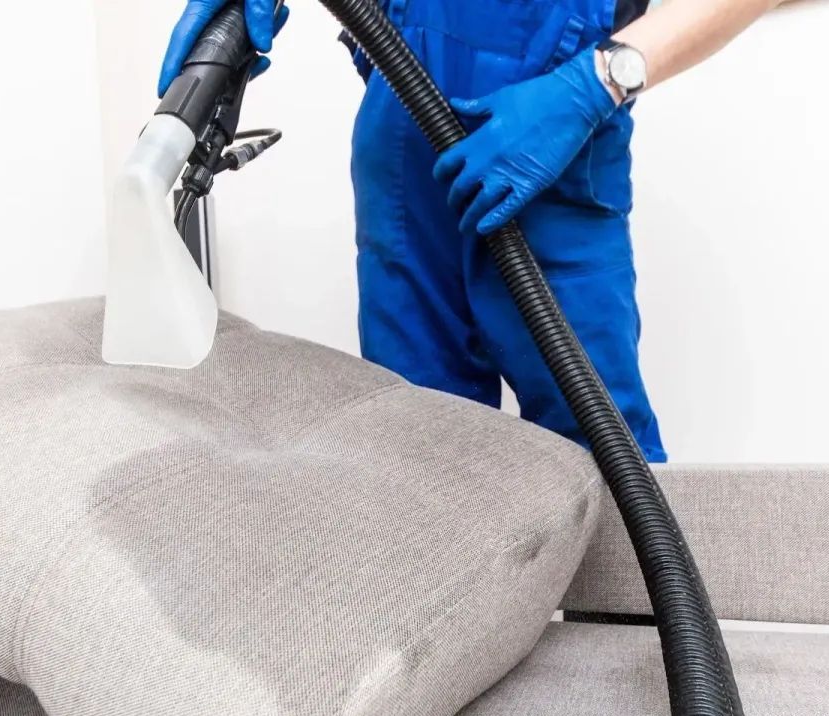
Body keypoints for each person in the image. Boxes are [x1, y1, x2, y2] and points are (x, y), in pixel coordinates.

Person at [159, 0, 782, 461]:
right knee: (413, 462)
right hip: (403, 129)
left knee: (604, 469)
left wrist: (601, 82)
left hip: (554, 131)